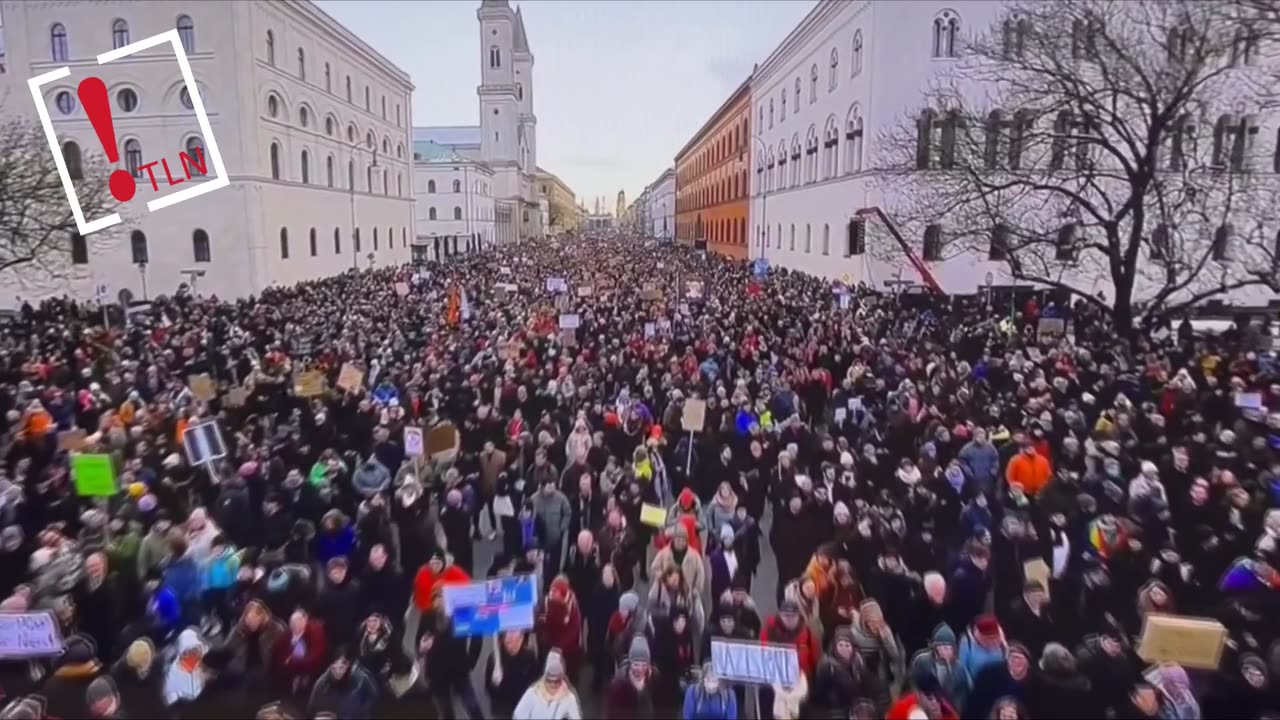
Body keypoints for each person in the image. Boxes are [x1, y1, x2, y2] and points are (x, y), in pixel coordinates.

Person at [309, 648, 379, 720]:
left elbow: (372, 694)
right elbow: (312, 707)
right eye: (335, 666)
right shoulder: (323, 682)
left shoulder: (361, 678)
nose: (338, 671)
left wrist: (362, 710)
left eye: (344, 665)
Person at [513, 649, 582, 720]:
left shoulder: (569, 697)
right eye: (549, 680)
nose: (553, 685)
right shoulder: (533, 693)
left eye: (557, 681)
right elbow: (518, 715)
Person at [486, 630, 541, 719]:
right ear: (503, 640)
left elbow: (536, 681)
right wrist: (494, 683)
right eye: (509, 641)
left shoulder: (529, 656)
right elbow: (489, 690)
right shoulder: (494, 661)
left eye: (517, 640)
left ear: (522, 639)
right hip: (504, 710)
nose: (514, 645)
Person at [607, 636, 661, 719]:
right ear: (630, 663)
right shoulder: (618, 683)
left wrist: (643, 691)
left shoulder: (655, 678)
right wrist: (638, 692)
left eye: (644, 665)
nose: (640, 669)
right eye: (636, 664)